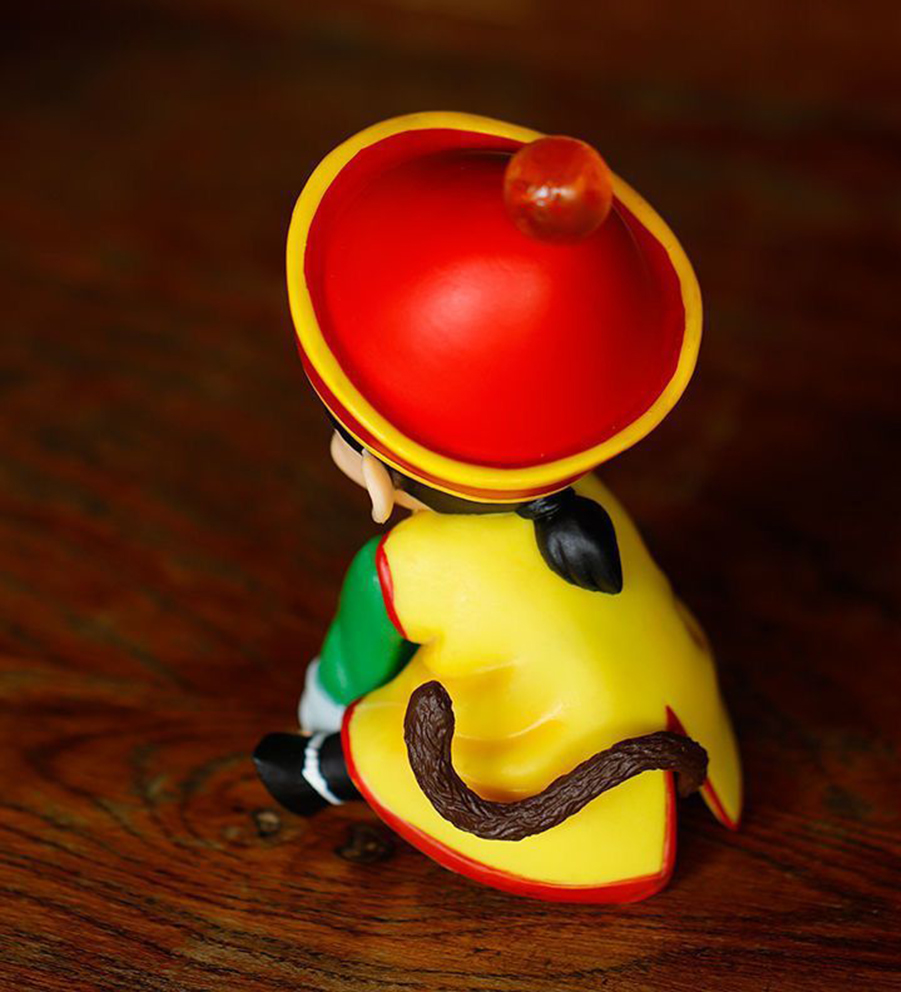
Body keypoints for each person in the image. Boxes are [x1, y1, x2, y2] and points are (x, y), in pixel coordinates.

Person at [253, 112, 741, 902]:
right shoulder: (590, 503)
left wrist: (322, 711)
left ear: (376, 477)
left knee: (384, 722)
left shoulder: (407, 566)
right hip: (681, 713)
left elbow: (345, 673)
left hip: (555, 770)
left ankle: (321, 771)